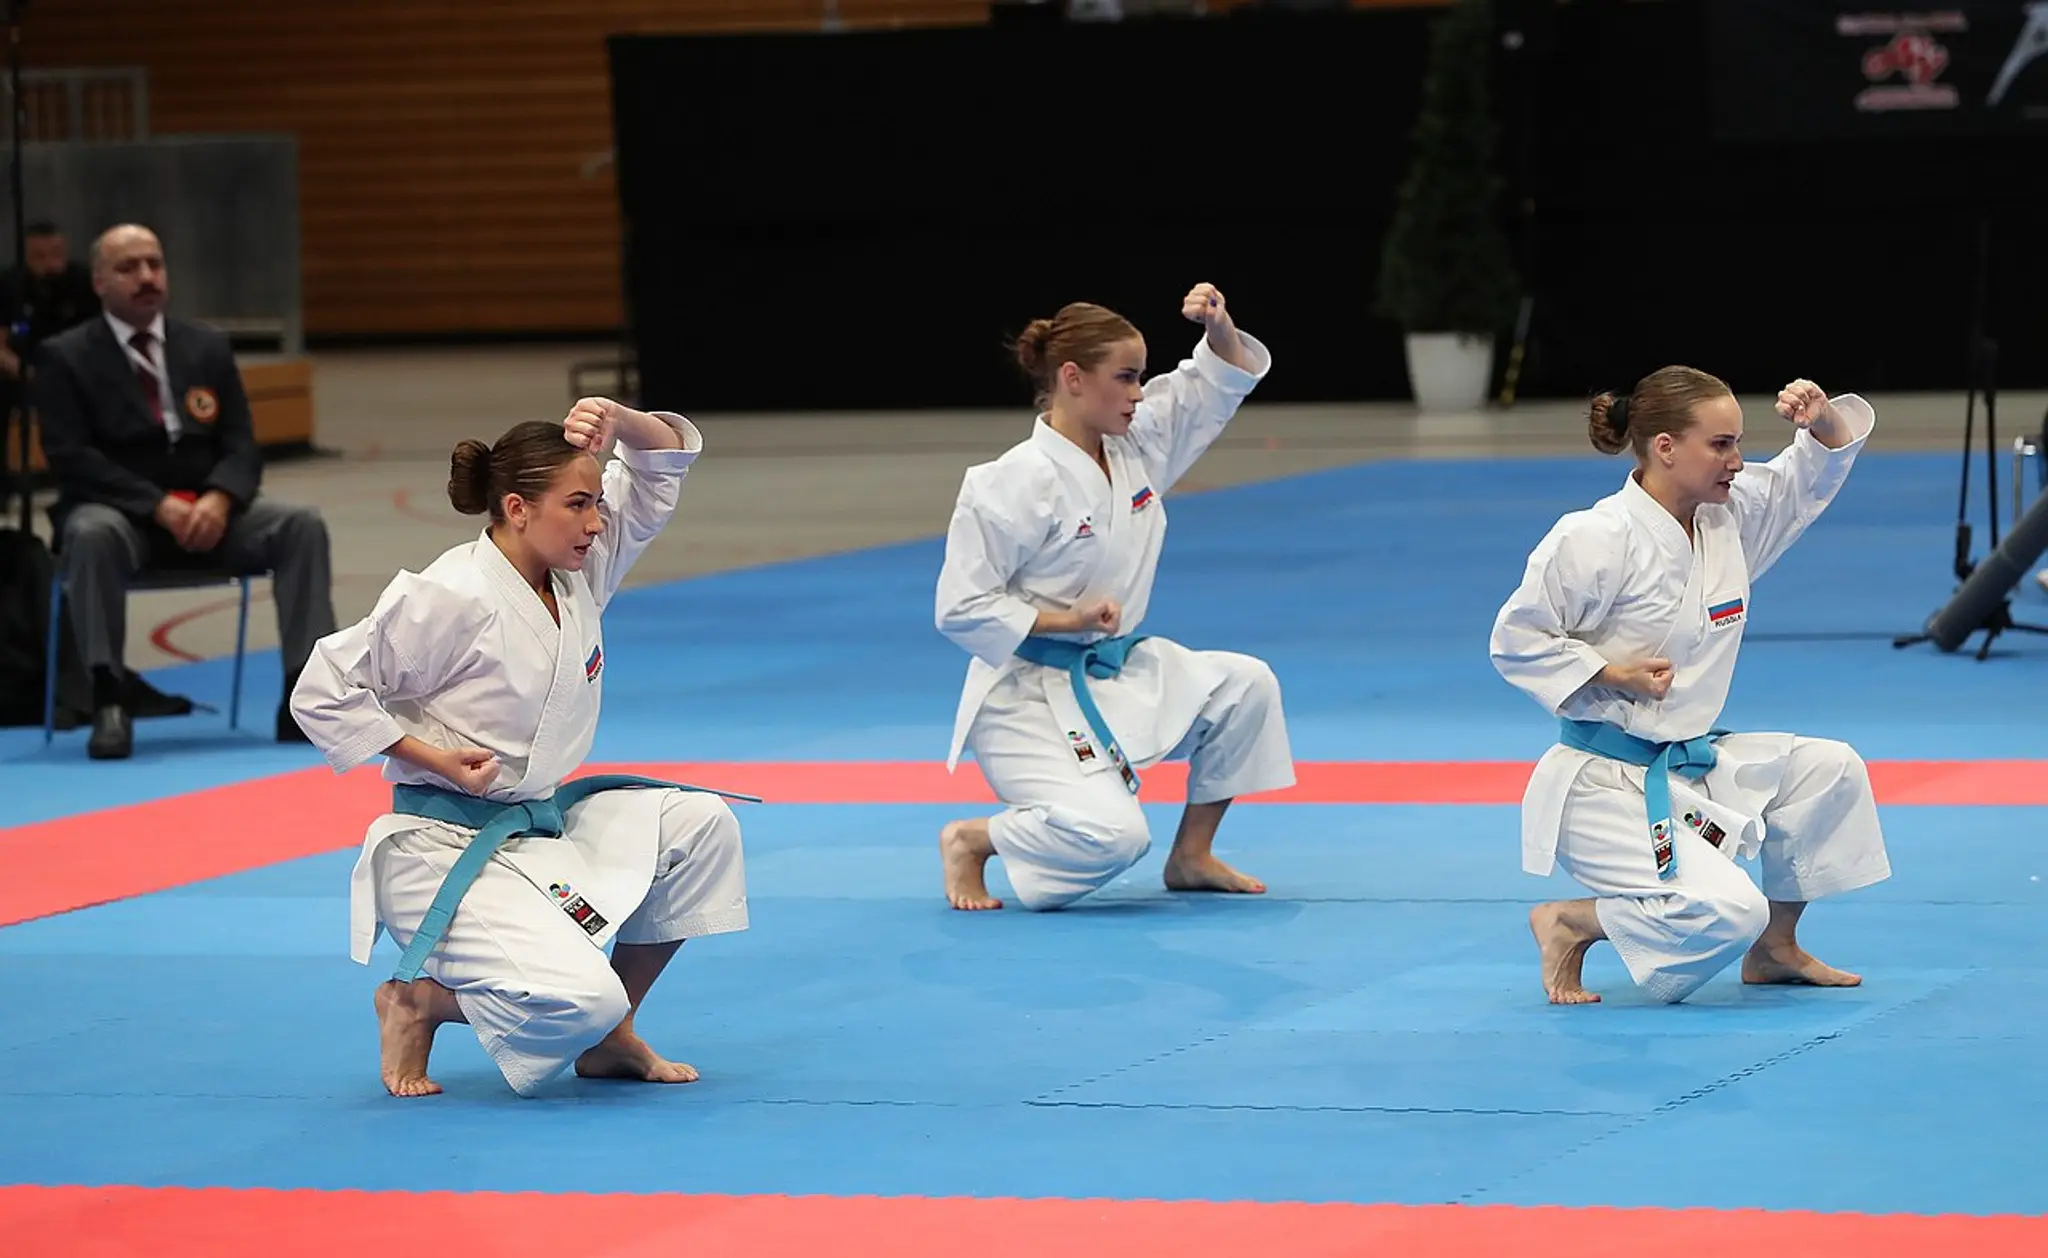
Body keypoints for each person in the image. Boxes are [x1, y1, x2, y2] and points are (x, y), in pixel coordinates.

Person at [289, 397, 751, 1099]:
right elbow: (320, 689)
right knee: (578, 998)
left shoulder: (576, 568)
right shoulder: (451, 594)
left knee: (702, 824)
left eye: (598, 502)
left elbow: (659, 468)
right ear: (517, 508)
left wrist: (619, 421)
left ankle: (610, 1033)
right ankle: (420, 1001)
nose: (598, 522)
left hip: (539, 827)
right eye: (578, 504)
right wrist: (431, 756)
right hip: (441, 850)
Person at [1489, 368, 1893, 1006]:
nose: (1737, 460)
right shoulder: (1593, 536)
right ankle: (1572, 921)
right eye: (1722, 444)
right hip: (1602, 786)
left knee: (1829, 770)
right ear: (1665, 447)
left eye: (1738, 443)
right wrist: (1607, 672)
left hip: (1688, 761)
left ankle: (1776, 948)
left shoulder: (1727, 516)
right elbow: (1516, 640)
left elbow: (1807, 477)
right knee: (1730, 910)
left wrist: (1820, 420)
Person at [933, 283, 1296, 912]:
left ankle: (1190, 857)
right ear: (1072, 378)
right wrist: (1064, 619)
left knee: (1246, 685)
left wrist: (1219, 325)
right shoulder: (1007, 483)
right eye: (1125, 378)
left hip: (1109, 671)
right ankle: (974, 838)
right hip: (1023, 700)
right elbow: (960, 608)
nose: (1137, 394)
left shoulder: (1137, 444)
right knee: (1115, 836)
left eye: (1140, 378)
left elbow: (1213, 380)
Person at [32, 222, 335, 758]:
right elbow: (70, 457)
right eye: (129, 268)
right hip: (122, 517)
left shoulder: (206, 347)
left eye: (154, 263)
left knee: (300, 525)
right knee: (90, 533)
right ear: (99, 282)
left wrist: (220, 498)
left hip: (210, 516)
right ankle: (109, 697)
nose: (146, 276)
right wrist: (157, 505)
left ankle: (302, 697)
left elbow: (242, 444)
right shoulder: (65, 356)